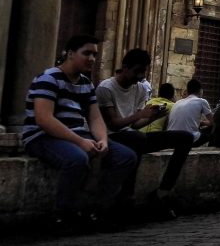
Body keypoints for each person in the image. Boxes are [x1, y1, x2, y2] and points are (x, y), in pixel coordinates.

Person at [21, 35, 137, 232]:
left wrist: (102, 140)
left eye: (95, 54)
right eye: (87, 53)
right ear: (71, 54)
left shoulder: (86, 83)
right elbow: (44, 119)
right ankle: (62, 216)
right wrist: (80, 142)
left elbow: (95, 118)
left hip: (77, 136)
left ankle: (97, 212)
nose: (92, 58)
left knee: (125, 157)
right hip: (43, 136)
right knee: (76, 158)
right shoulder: (48, 78)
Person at [97, 49, 195, 214]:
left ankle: (162, 192)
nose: (141, 76)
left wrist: (153, 117)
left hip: (133, 136)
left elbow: (135, 124)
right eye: (137, 71)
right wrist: (141, 114)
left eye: (143, 71)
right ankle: (126, 197)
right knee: (137, 139)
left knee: (186, 138)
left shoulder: (140, 89)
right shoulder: (106, 88)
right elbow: (114, 124)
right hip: (112, 137)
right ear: (125, 67)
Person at [167, 79, 214, 146]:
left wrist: (202, 123)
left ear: (188, 91)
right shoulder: (202, 101)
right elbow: (213, 122)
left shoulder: (177, 102)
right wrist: (204, 123)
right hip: (189, 140)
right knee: (214, 128)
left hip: (171, 139)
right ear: (200, 91)